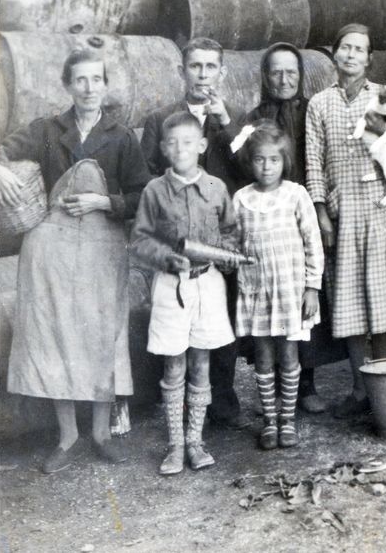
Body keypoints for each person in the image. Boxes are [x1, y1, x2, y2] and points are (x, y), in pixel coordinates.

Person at [0, 48, 150, 473]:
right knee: (57, 337)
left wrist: (106, 200)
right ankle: (67, 436)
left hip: (103, 248)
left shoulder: (121, 136)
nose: (88, 88)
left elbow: (143, 194)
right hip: (52, 250)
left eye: (96, 80)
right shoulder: (47, 129)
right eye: (80, 80)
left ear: (105, 85)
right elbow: (2, 149)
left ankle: (100, 433)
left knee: (103, 337)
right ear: (67, 85)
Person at [306, 23, 386, 419]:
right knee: (350, 298)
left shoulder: (384, 97)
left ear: (370, 59)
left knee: (384, 294)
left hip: (382, 208)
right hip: (345, 212)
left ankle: (384, 381)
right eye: (346, 48)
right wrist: (321, 212)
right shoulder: (319, 104)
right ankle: (359, 388)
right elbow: (314, 165)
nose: (352, 55)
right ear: (335, 54)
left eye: (360, 49)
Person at [140, 37, 247, 430]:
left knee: (221, 319)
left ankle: (220, 401)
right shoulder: (160, 119)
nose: (203, 75)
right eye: (195, 66)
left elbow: (248, 172)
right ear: (181, 71)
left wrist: (225, 123)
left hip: (220, 235)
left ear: (222, 71)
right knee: (176, 317)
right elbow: (147, 173)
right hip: (177, 238)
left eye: (210, 67)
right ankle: (179, 406)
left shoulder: (233, 118)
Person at [130, 111, 239, 475]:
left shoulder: (216, 189)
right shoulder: (154, 191)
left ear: (202, 146)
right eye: (172, 143)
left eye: (188, 142)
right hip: (170, 286)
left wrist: (225, 254)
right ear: (162, 148)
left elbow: (230, 232)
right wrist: (166, 258)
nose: (180, 149)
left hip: (207, 284)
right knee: (174, 364)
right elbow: (140, 240)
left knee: (200, 363)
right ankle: (175, 445)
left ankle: (196, 441)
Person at [247, 42, 335, 413]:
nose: (284, 80)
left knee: (306, 299)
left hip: (303, 211)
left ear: (300, 76)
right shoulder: (253, 117)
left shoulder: (312, 109)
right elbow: (240, 156)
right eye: (276, 72)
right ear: (266, 77)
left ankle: (307, 384)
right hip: (271, 217)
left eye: (291, 72)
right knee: (271, 304)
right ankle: (274, 390)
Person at [232, 120, 324, 449]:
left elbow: (313, 242)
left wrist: (312, 287)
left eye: (274, 159)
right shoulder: (241, 199)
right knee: (263, 356)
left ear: (284, 160)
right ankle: (269, 421)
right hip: (257, 292)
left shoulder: (296, 195)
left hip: (290, 292)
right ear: (249, 161)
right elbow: (234, 242)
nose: (267, 166)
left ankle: (287, 420)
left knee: (289, 355)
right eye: (259, 159)